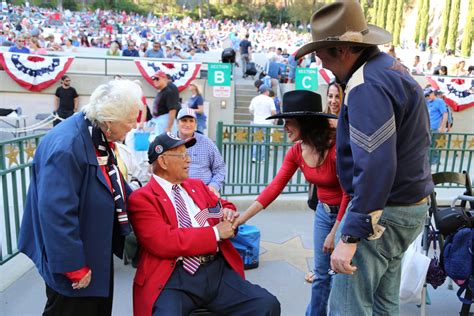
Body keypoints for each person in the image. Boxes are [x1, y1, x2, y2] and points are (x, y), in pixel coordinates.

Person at [294, 1, 434, 315]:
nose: (318, 57)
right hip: (406, 207)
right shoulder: (387, 68)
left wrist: (352, 233)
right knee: (385, 304)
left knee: (348, 306)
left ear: (342, 49)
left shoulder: (365, 86)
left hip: (384, 212)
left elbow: (375, 165)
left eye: (321, 50)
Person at [18, 79, 141, 316]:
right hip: (75, 260)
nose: (133, 127)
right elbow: (56, 214)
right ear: (109, 120)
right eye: (129, 121)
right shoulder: (67, 146)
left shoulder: (96, 133)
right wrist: (73, 265)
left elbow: (116, 184)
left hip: (94, 247)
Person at [128, 133, 281, 316]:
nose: (189, 160)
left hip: (215, 270)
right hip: (173, 277)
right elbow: (163, 241)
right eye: (182, 155)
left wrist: (228, 213)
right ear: (163, 161)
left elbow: (221, 205)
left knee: (267, 304)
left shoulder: (196, 186)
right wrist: (215, 233)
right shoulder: (142, 198)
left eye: (188, 154)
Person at [234, 90, 349, 316]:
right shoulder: (296, 150)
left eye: (288, 122)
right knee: (320, 274)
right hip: (324, 213)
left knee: (341, 277)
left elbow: (349, 193)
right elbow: (274, 188)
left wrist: (335, 232)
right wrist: (241, 219)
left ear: (304, 123)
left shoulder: (337, 148)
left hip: (346, 215)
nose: (284, 127)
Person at [176, 108, 225, 197]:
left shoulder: (207, 143)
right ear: (177, 123)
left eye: (191, 121)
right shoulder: (168, 143)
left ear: (196, 124)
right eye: (184, 120)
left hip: (203, 191)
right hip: (177, 192)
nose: (188, 124)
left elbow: (220, 169)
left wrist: (213, 186)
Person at [249, 84, 276, 162]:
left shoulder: (255, 99)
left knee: (256, 140)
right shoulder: (269, 100)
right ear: (266, 91)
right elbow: (273, 111)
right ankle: (262, 158)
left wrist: (256, 114)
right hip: (266, 123)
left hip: (257, 122)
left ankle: (254, 157)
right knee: (265, 141)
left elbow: (250, 110)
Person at [151, 70, 181, 135]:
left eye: (157, 78)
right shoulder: (161, 92)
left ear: (164, 79)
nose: (155, 80)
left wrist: (169, 127)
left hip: (165, 121)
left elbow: (172, 110)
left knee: (167, 143)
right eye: (153, 79)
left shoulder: (169, 92)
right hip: (159, 121)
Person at [425, 87, 448, 165]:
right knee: (427, 145)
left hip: (435, 128)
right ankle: (430, 162)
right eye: (426, 95)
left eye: (428, 95)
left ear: (433, 93)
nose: (427, 97)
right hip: (428, 128)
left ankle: (435, 163)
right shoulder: (428, 102)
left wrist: (442, 127)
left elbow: (445, 114)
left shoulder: (439, 102)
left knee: (434, 146)